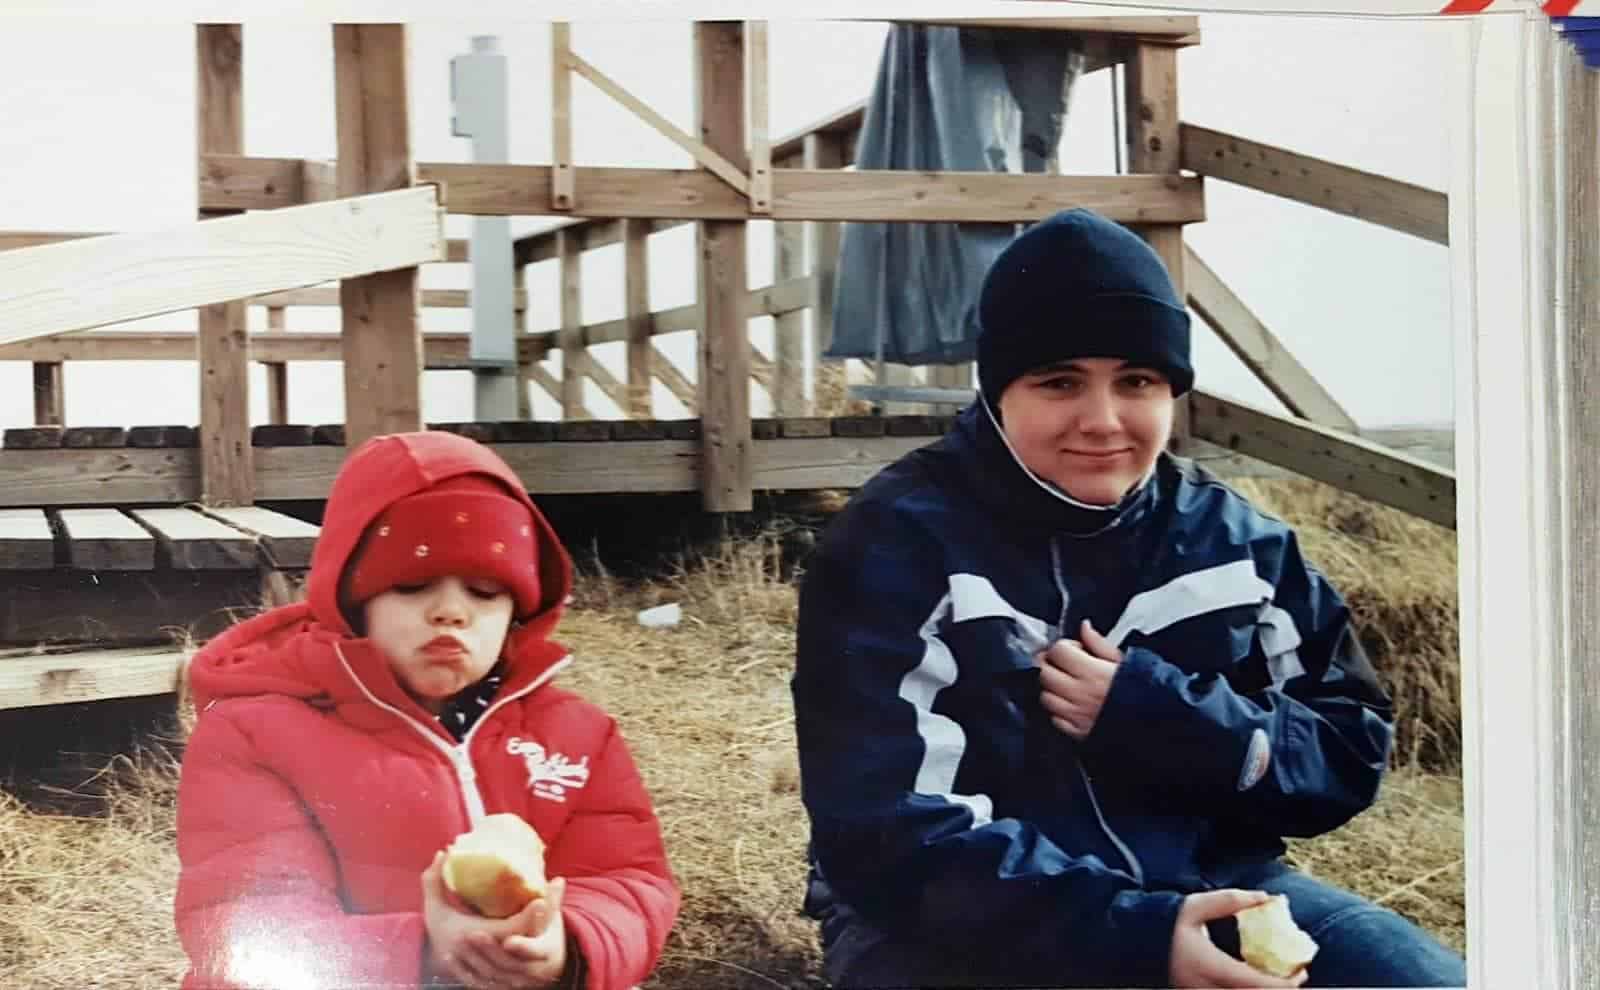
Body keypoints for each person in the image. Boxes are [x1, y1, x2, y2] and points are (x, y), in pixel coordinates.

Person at [790, 208, 1467, 989]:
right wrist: (1136, 940)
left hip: (1209, 884)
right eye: (1060, 382)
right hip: (955, 918)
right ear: (997, 389)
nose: (1103, 421)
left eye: (1137, 381)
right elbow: (883, 834)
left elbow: (1347, 753)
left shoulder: (1237, 544)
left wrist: (1161, 718)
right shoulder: (896, 540)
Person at [174, 430, 680, 989]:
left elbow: (626, 877)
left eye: (485, 591)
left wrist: (571, 943)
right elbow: (250, 933)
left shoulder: (576, 736)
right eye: (413, 585)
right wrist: (424, 956)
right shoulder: (257, 732)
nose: (450, 612)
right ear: (352, 600)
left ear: (519, 609)